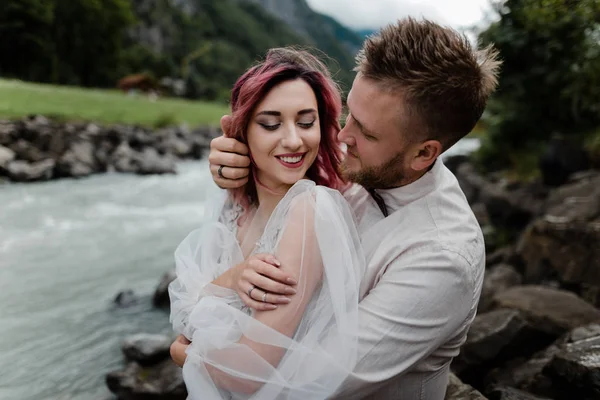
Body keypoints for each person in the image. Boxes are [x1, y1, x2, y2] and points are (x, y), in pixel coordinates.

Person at [203, 17, 502, 399]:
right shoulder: (366, 165)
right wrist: (236, 167)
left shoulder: (441, 259)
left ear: (424, 153)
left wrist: (190, 351)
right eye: (349, 115)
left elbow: (306, 384)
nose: (343, 136)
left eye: (367, 131)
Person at [168, 47, 366, 399]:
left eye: (306, 122)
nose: (293, 140)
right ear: (242, 130)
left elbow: (250, 373)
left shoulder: (310, 209)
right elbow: (190, 308)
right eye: (270, 124)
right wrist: (232, 277)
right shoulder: (235, 203)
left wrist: (181, 353)